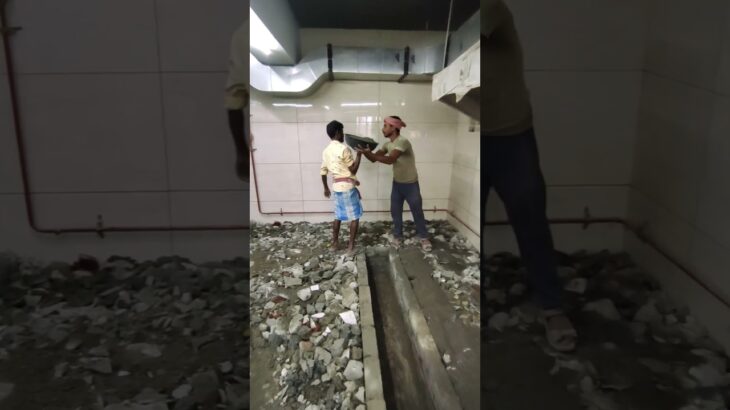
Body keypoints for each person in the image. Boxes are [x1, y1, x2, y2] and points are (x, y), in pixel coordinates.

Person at [483, 0, 577, 351]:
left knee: (531, 222)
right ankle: (473, 300)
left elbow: (472, 29)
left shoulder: (487, 8)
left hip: (510, 137)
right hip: (477, 133)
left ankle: (552, 306)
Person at [357, 116, 432, 252]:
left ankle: (424, 237)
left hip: (411, 185)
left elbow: (391, 159)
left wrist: (370, 154)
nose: (383, 129)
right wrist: (365, 153)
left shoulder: (402, 142)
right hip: (397, 184)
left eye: (385, 126)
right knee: (395, 212)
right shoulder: (387, 145)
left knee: (417, 212)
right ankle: (398, 236)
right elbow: (374, 159)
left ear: (393, 127)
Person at [321, 121, 363, 254]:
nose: (343, 134)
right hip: (347, 187)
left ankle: (334, 244)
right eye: (342, 131)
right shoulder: (344, 149)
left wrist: (326, 188)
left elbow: (323, 172)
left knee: (338, 215)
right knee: (354, 216)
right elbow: (353, 170)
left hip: (336, 187)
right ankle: (350, 247)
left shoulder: (326, 151)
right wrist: (359, 155)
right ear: (338, 132)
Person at [225, 20, 251, 182]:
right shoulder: (243, 35)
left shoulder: (242, 35)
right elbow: (234, 100)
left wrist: (241, 152)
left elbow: (234, 100)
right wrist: (241, 153)